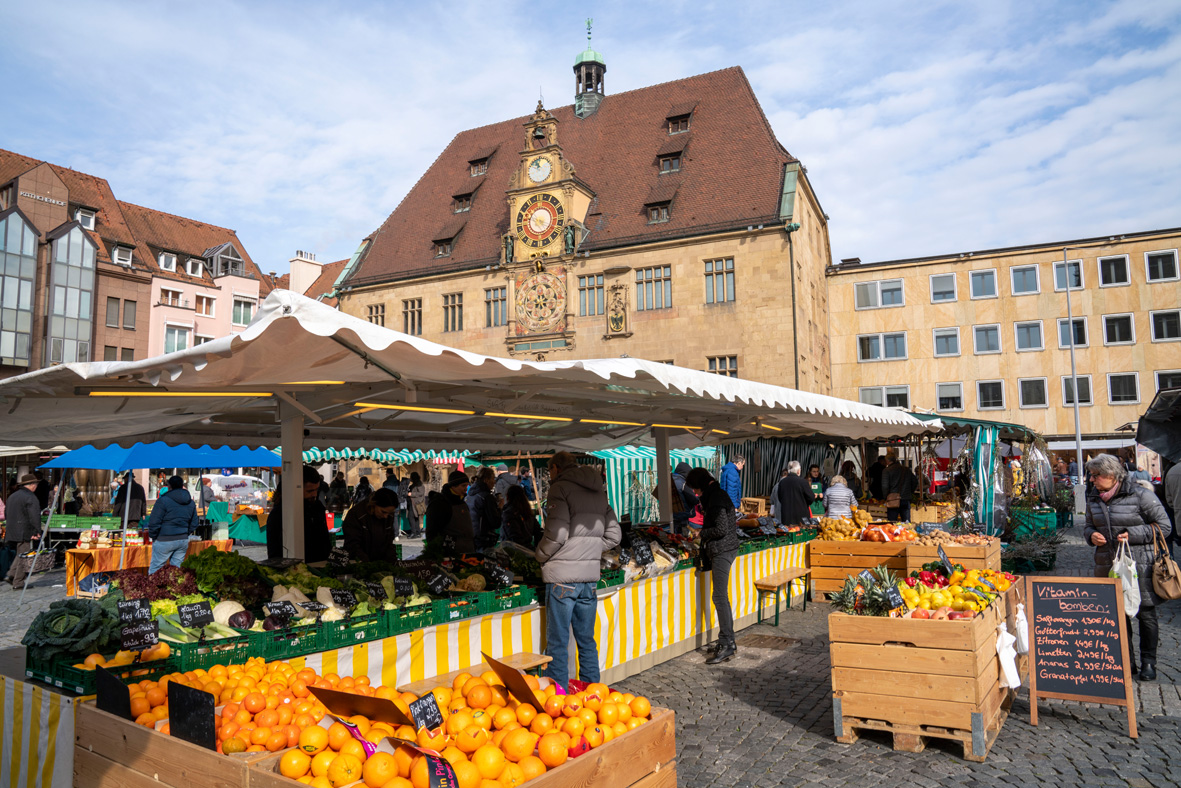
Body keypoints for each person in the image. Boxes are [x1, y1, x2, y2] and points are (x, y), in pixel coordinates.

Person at [536, 451, 620, 688]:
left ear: (555, 468)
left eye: (549, 470)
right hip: (589, 582)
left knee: (558, 643)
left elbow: (557, 534)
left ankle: (560, 700)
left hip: (562, 579)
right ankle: (594, 695)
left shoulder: (559, 488)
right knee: (586, 641)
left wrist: (540, 554)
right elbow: (614, 535)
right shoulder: (598, 491)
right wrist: (589, 550)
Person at [1083, 453, 1170, 681]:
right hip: (1108, 565)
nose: (1092, 480)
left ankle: (1148, 663)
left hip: (1141, 565)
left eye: (1095, 476)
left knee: (1146, 615)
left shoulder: (1141, 495)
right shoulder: (1093, 499)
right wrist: (1091, 536)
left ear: (1111, 475)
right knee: (1117, 616)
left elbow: (1164, 527)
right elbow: (1088, 526)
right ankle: (1126, 661)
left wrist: (1132, 535)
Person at [685, 467, 741, 665]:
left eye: (695, 489)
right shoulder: (716, 494)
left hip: (722, 550)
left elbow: (720, 528)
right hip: (724, 548)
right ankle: (728, 641)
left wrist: (702, 534)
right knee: (720, 596)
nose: (695, 493)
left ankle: (727, 642)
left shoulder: (716, 498)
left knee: (719, 596)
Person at [267, 465, 332, 562]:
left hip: (319, 565)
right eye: (310, 491)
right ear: (296, 488)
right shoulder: (280, 512)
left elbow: (324, 539)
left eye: (316, 490)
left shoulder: (317, 507)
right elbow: (274, 549)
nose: (314, 494)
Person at [146, 476, 198, 573]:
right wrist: (185, 533)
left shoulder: (163, 501)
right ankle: (174, 588)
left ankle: (155, 588)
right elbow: (194, 523)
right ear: (182, 486)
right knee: (176, 573)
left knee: (156, 571)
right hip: (182, 539)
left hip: (164, 539)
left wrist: (154, 537)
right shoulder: (190, 502)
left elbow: (154, 522)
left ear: (169, 486)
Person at [342, 487, 400, 562]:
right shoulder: (356, 514)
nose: (386, 516)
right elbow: (353, 545)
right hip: (358, 563)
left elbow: (389, 542)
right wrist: (368, 565)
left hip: (379, 563)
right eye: (383, 512)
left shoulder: (389, 516)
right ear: (374, 504)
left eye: (389, 513)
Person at [4, 474, 42, 589]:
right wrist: (37, 531)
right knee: (24, 556)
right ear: (32, 485)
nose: (36, 486)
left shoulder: (13, 496)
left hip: (12, 529)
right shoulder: (30, 497)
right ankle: (18, 582)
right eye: (36, 484)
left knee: (21, 553)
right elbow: (34, 516)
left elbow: (6, 513)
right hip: (24, 530)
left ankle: (11, 575)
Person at [425, 471, 477, 554]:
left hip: (468, 552)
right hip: (451, 555)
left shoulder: (462, 502)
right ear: (453, 486)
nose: (465, 489)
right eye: (463, 486)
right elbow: (432, 532)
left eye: (467, 486)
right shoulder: (440, 503)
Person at [467, 467, 501, 547]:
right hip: (484, 539)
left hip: (472, 536)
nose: (494, 482)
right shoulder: (487, 497)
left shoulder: (470, 495)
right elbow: (495, 522)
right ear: (486, 480)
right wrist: (500, 508)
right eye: (493, 478)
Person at [775, 461, 815, 526]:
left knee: (788, 534)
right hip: (801, 519)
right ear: (798, 471)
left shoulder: (782, 483)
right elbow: (811, 498)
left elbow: (780, 498)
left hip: (786, 518)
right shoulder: (803, 482)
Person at [882, 453, 918, 523]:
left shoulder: (887, 471)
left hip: (893, 499)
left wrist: (886, 497)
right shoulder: (906, 469)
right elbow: (915, 481)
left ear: (887, 461)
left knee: (892, 523)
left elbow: (884, 486)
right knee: (907, 522)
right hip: (905, 498)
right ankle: (908, 533)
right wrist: (910, 492)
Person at [670, 461, 700, 533]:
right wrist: (699, 498)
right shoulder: (683, 483)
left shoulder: (668, 480)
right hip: (682, 516)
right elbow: (693, 499)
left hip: (669, 516)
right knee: (682, 538)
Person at [405, 472, 426, 538]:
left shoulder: (419, 484)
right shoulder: (415, 484)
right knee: (415, 518)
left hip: (416, 504)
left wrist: (412, 494)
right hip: (413, 503)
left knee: (411, 517)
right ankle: (417, 532)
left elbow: (421, 493)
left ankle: (414, 532)